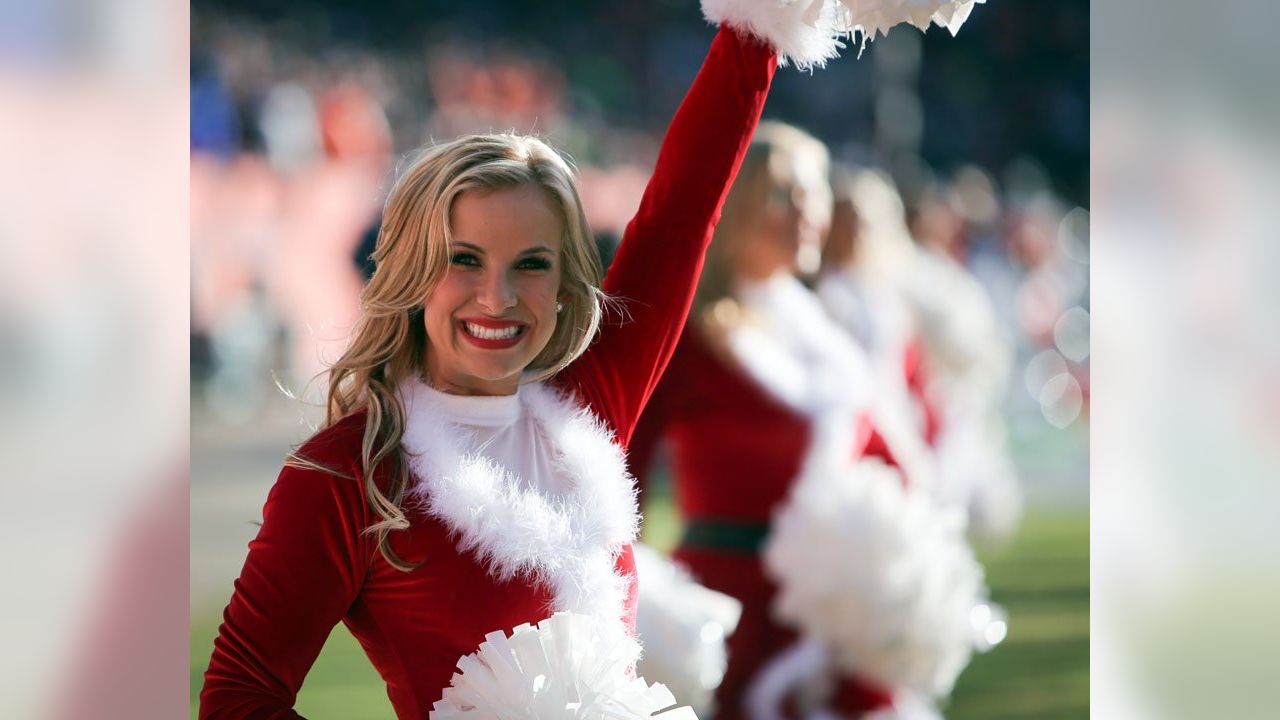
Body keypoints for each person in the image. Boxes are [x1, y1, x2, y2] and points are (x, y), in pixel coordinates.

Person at [199, 18, 781, 719]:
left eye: (531, 264)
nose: (497, 298)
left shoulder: (590, 405)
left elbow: (684, 207)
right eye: (464, 260)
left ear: (565, 283)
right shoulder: (351, 474)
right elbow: (240, 695)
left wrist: (766, 23)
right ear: (414, 273)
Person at [628, 122, 911, 719]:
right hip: (729, 610)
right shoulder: (690, 336)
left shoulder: (825, 338)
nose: (808, 213)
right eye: (785, 193)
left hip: (832, 613)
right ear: (736, 206)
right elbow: (617, 470)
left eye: (816, 194)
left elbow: (886, 463)